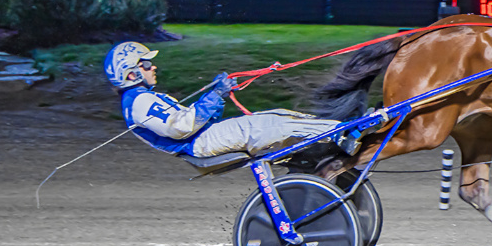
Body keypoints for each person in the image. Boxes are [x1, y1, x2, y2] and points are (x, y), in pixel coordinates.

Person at [104, 41, 338, 158]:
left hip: (202, 138)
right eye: (146, 64)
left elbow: (191, 121)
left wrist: (218, 96)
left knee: (275, 116)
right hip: (199, 142)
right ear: (131, 74)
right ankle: (339, 132)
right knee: (268, 125)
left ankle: (333, 129)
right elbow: (180, 127)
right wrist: (215, 95)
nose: (153, 67)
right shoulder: (139, 102)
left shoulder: (140, 99)